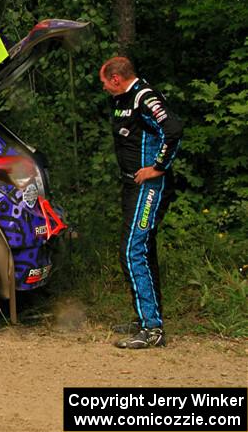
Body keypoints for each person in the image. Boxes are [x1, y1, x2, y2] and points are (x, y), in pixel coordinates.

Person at [99, 56, 183, 349]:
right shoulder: (122, 98)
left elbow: (173, 130)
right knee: (142, 250)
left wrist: (157, 167)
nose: (103, 87)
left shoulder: (144, 97)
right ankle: (145, 318)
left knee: (132, 251)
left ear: (116, 79)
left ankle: (152, 330)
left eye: (105, 82)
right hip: (131, 185)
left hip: (149, 187)